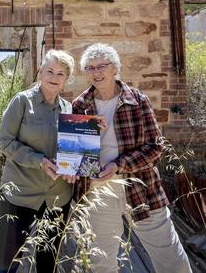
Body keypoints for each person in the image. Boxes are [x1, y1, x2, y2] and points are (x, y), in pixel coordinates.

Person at [69, 43, 191, 273]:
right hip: (98, 191)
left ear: (115, 68)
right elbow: (75, 159)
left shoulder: (137, 100)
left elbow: (156, 147)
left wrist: (119, 165)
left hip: (141, 186)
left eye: (102, 66)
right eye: (90, 68)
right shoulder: (80, 105)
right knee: (100, 262)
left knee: (170, 255)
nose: (96, 72)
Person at [0, 49, 75, 273]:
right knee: (7, 261)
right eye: (49, 71)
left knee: (48, 260)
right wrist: (38, 160)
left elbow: (74, 151)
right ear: (40, 72)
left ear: (66, 79)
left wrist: (74, 167)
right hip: (20, 193)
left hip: (57, 196)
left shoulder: (69, 110)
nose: (54, 77)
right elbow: (5, 141)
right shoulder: (22, 102)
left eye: (61, 74)